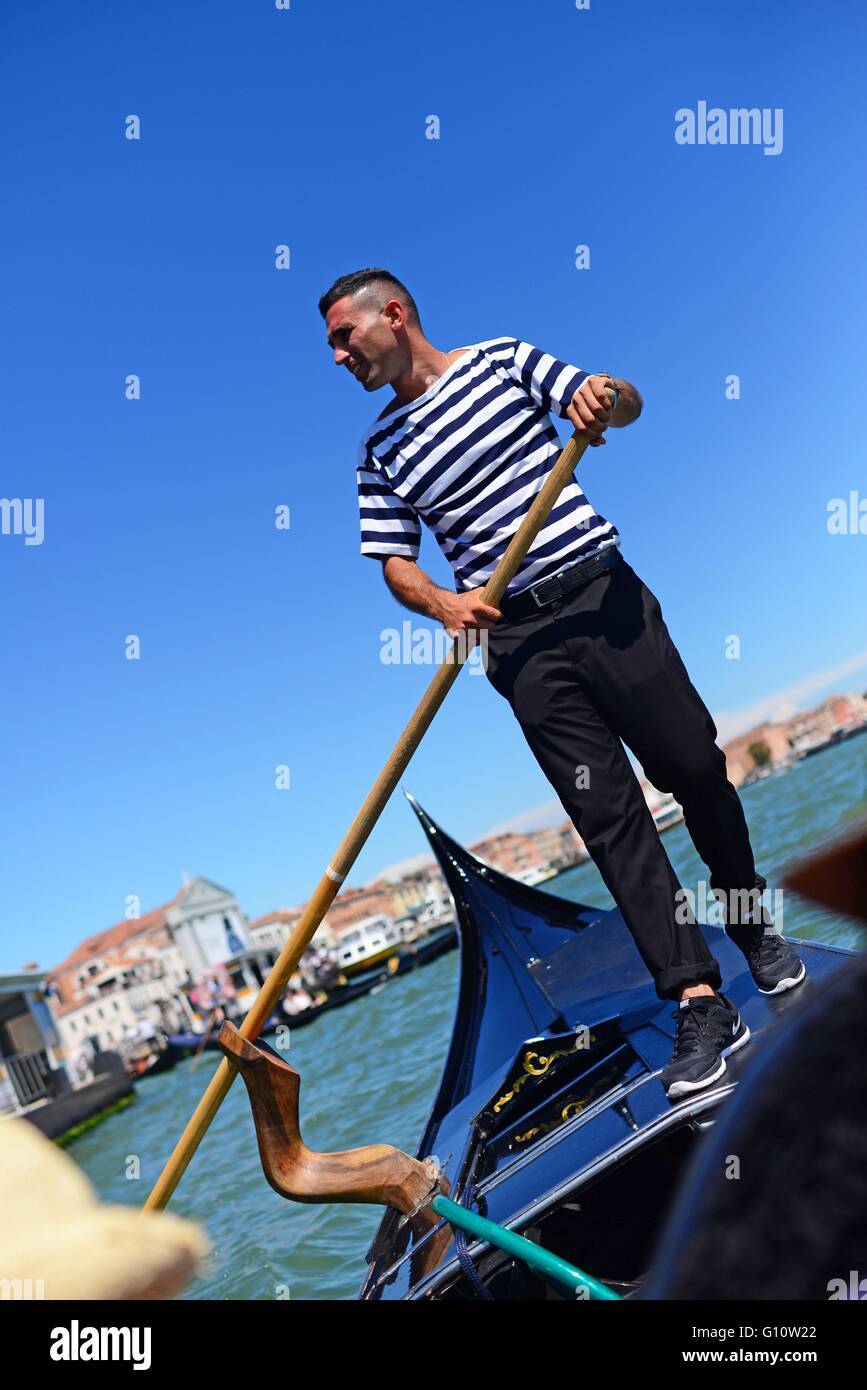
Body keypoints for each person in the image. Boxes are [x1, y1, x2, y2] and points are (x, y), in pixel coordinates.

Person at [319, 267, 806, 1099]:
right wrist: (444, 601)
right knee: (608, 819)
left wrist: (598, 397)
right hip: (520, 645)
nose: (335, 356)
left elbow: (620, 402)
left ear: (392, 315)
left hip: (601, 594)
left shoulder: (504, 360)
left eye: (342, 336)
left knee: (692, 765)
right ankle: (695, 997)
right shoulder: (377, 451)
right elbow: (395, 563)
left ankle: (748, 919)